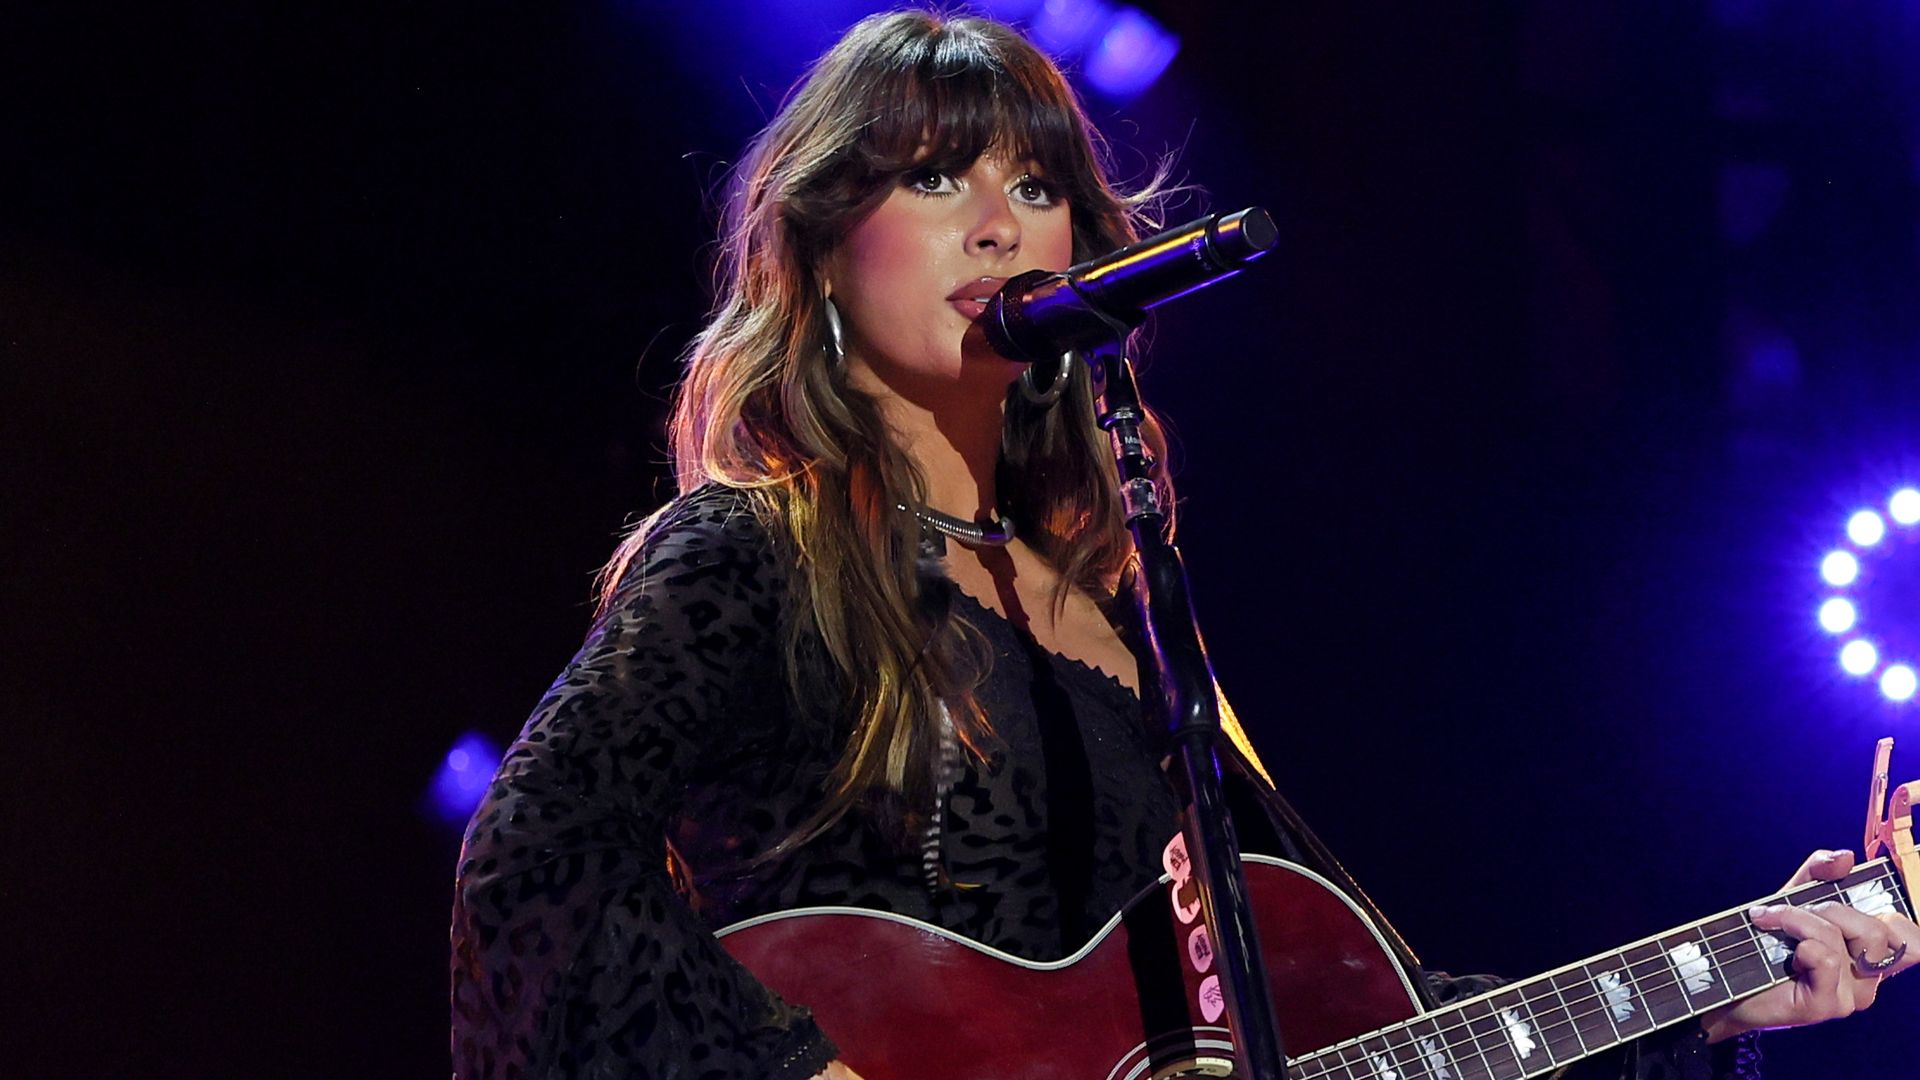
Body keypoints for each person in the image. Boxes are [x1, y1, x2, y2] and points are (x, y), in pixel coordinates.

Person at [449, 11, 1918, 1079]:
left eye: (1034, 189)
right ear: (825, 250)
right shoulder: (749, 557)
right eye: (935, 178)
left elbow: (1351, 1022)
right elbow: (537, 872)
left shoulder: (1132, 614)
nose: (999, 228)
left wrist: (1722, 986)